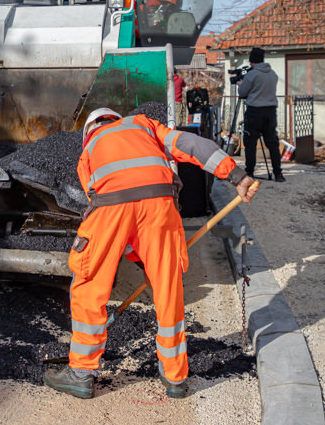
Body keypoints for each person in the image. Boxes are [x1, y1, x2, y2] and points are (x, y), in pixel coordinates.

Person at [43, 107, 259, 400]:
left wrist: (126, 252)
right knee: (168, 289)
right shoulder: (144, 126)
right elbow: (194, 146)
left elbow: (102, 207)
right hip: (160, 206)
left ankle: (81, 373)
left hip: (109, 207)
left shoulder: (89, 149)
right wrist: (236, 175)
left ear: (89, 131)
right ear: (116, 119)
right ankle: (175, 378)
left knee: (89, 282)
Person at [238, 47, 285, 182]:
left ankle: (250, 173)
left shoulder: (252, 75)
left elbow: (242, 93)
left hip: (254, 111)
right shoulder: (273, 74)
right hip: (270, 111)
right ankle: (278, 173)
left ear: (252, 60)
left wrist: (241, 84)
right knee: (272, 143)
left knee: (250, 143)